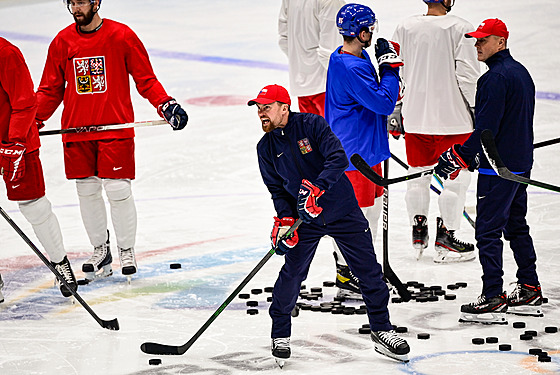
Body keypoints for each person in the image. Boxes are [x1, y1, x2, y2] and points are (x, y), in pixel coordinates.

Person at [251, 84, 410, 364]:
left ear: (284, 107)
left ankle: (383, 330)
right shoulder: (265, 147)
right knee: (292, 274)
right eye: (259, 109)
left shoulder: (312, 124)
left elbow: (338, 158)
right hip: (305, 219)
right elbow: (277, 189)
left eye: (267, 107)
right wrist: (285, 219)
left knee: (369, 272)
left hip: (341, 211)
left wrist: (317, 187)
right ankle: (280, 333)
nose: (262, 113)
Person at [35, 0, 188, 283]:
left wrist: (165, 104)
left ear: (96, 2)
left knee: (118, 190)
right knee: (87, 191)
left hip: (114, 128)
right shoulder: (62, 42)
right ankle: (100, 250)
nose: (75, 9)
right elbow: (50, 89)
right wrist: (33, 119)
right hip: (77, 131)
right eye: (71, 3)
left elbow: (146, 79)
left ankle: (126, 250)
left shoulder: (122, 36)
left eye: (81, 2)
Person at [434, 18, 543, 323]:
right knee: (516, 225)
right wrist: (465, 156)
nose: (478, 45)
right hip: (520, 164)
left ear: (501, 42)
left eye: (485, 40)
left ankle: (493, 295)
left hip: (498, 168)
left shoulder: (493, 79)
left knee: (488, 231)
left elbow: (485, 131)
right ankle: (530, 285)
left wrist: (456, 155)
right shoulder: (521, 73)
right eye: (477, 40)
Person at [390, 0, 480, 263]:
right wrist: (476, 109)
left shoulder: (405, 27)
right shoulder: (460, 27)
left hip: (416, 118)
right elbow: (467, 75)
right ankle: (447, 237)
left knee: (417, 175)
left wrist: (397, 106)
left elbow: (395, 71)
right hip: (454, 119)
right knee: (456, 178)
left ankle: (418, 231)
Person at [324, 4, 402, 299]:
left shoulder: (348, 55)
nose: (372, 32)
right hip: (354, 155)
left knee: (364, 215)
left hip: (365, 150)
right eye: (369, 27)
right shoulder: (352, 66)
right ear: (360, 32)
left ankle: (357, 267)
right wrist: (390, 69)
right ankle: (348, 272)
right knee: (356, 217)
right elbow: (382, 103)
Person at [0, 37, 78, 299]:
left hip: (17, 144)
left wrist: (15, 142)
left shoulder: (7, 54)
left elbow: (24, 103)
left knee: (34, 206)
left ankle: (60, 263)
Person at [278, 0, 345, 116]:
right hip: (327, 87)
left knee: (314, 133)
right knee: (335, 133)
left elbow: (283, 39)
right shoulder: (331, 2)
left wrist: (301, 63)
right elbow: (331, 50)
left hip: (302, 85)